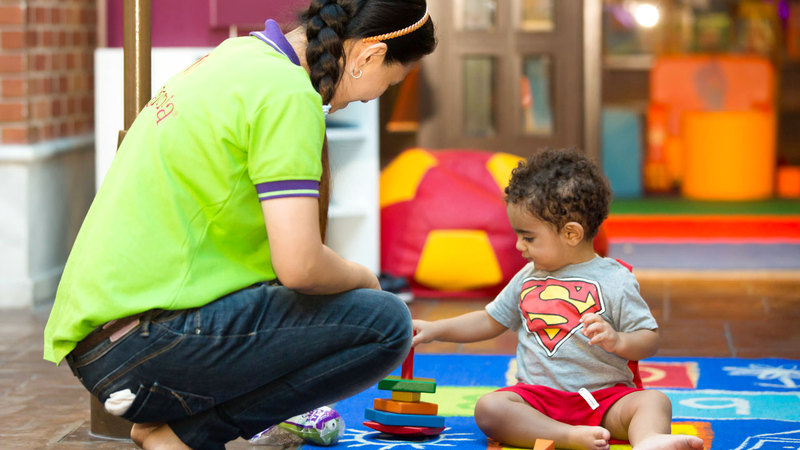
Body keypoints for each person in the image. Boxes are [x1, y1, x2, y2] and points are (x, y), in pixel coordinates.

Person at [43, 1, 436, 449]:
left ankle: (168, 427)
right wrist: (365, 278)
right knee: (386, 323)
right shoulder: (287, 95)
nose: (373, 97)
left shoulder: (238, 55)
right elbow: (301, 266)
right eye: (391, 82)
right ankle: (183, 435)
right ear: (370, 55)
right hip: (143, 350)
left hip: (104, 342)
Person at [412, 149, 705, 450]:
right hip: (538, 402)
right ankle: (568, 436)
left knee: (654, 401)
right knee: (489, 408)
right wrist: (436, 329)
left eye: (528, 237)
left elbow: (649, 339)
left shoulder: (616, 279)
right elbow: (489, 320)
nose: (519, 245)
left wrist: (618, 340)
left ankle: (648, 440)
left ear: (571, 234)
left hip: (604, 400)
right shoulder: (527, 277)